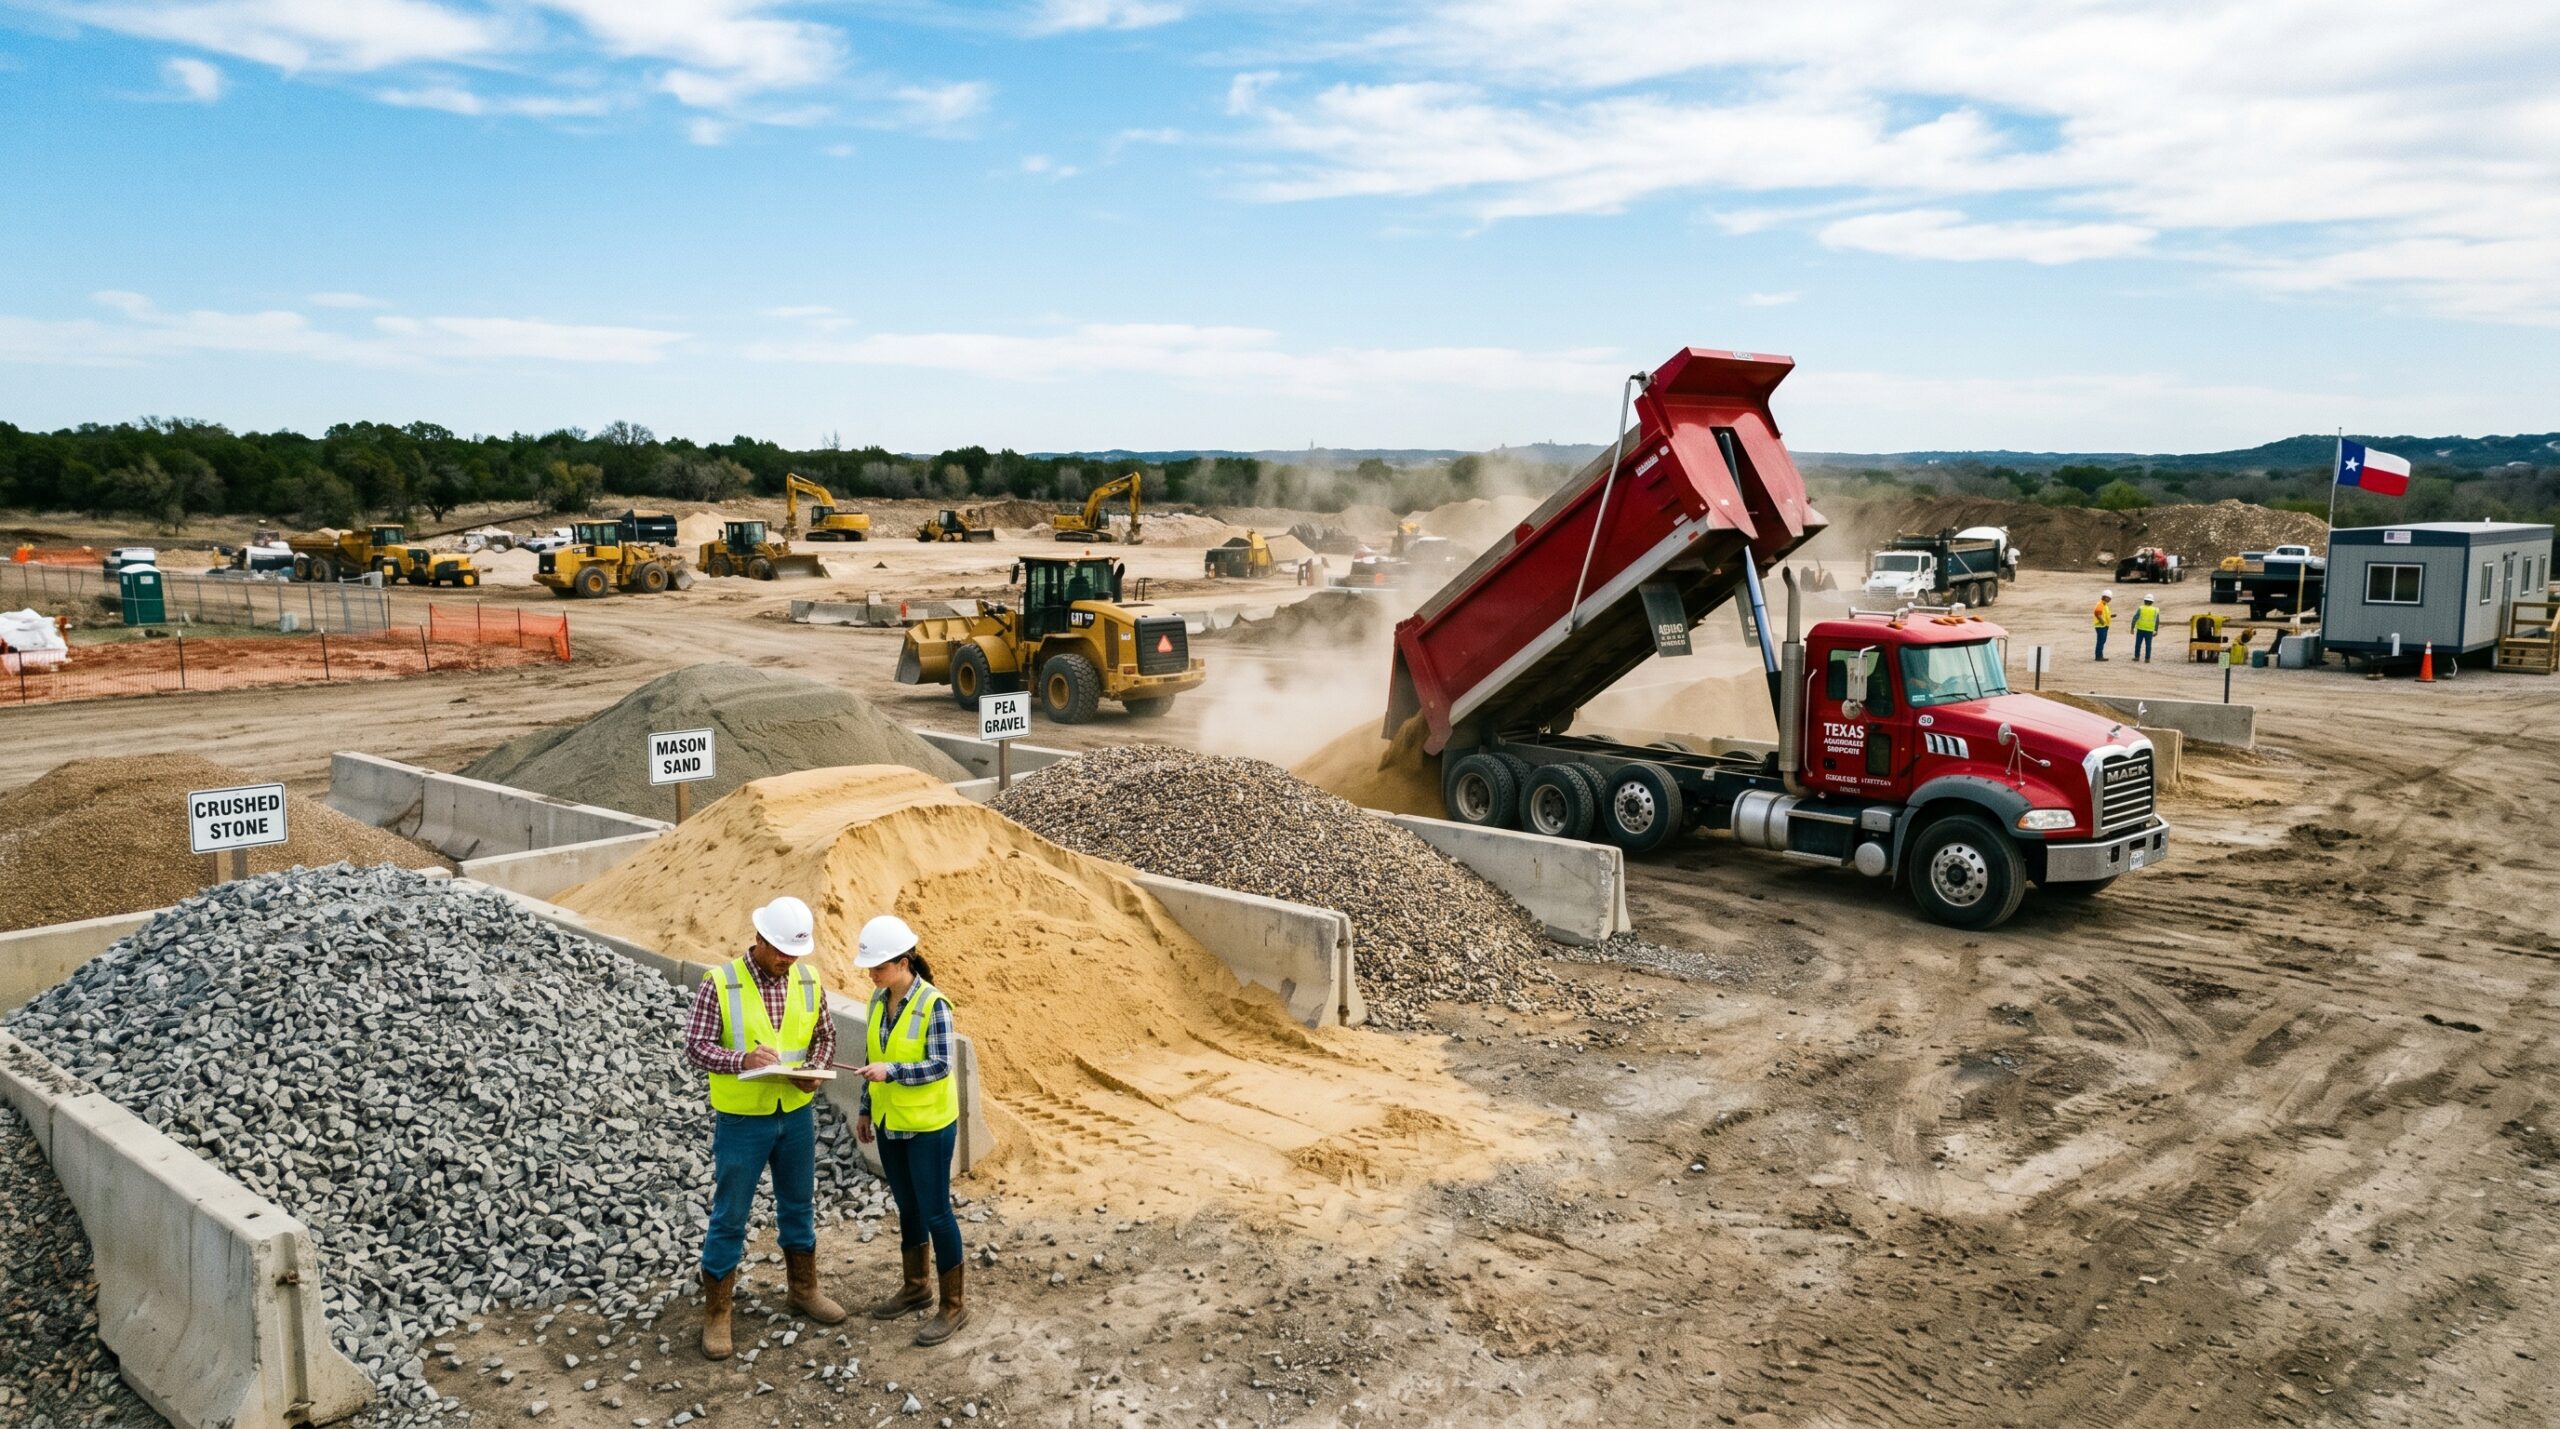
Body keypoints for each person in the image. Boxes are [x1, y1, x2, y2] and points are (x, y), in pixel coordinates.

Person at [685, 896, 847, 1361]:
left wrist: (815, 1068)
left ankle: (803, 1289)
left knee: (799, 1203)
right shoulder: (721, 983)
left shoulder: (808, 977)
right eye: (779, 951)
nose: (787, 960)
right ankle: (717, 1313)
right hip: (742, 1120)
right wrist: (742, 1060)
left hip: (793, 1112)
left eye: (794, 953)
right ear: (758, 939)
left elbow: (825, 1035)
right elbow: (696, 1047)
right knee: (730, 1215)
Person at [851, 915, 970, 1347]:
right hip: (890, 1124)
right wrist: (866, 1108)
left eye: (878, 967)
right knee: (907, 1205)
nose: (871, 974)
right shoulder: (877, 1000)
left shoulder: (933, 1005)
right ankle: (917, 1286)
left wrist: (894, 1071)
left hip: (928, 1127)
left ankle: (953, 1306)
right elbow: (873, 1055)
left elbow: (940, 1064)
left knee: (936, 1210)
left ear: (903, 963)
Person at [2132, 595, 2160, 662]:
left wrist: (2132, 628)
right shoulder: (2155, 610)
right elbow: (2157, 621)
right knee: (2148, 645)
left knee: (2138, 644)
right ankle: (2147, 659)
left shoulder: (2141, 608)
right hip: (2149, 631)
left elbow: (2135, 618)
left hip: (2140, 629)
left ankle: (2137, 657)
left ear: (2144, 601)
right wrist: (2156, 630)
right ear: (2152, 602)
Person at [2092, 590, 2114, 661]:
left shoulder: (2104, 604)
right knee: (2101, 641)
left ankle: (2099, 655)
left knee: (2102, 641)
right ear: (2106, 597)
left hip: (2104, 626)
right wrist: (2102, 622)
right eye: (2109, 598)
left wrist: (2111, 616)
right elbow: (2097, 613)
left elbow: (2104, 614)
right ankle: (2098, 656)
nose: (2110, 600)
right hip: (2101, 626)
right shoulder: (2101, 604)